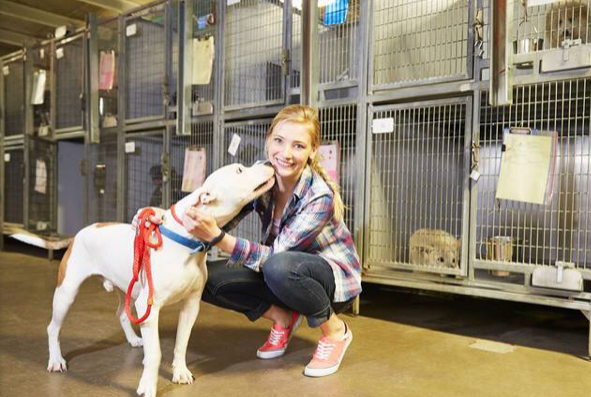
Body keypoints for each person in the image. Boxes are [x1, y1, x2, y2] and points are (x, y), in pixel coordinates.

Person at [145, 105, 361, 377]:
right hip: (283, 271)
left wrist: (219, 239)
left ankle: (335, 331)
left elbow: (274, 255)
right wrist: (164, 218)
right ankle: (283, 318)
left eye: (298, 145)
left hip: (329, 281)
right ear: (268, 139)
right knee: (204, 278)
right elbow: (218, 213)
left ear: (312, 151)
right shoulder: (263, 174)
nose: (285, 154)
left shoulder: (319, 196)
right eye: (279, 141)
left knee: (279, 267)